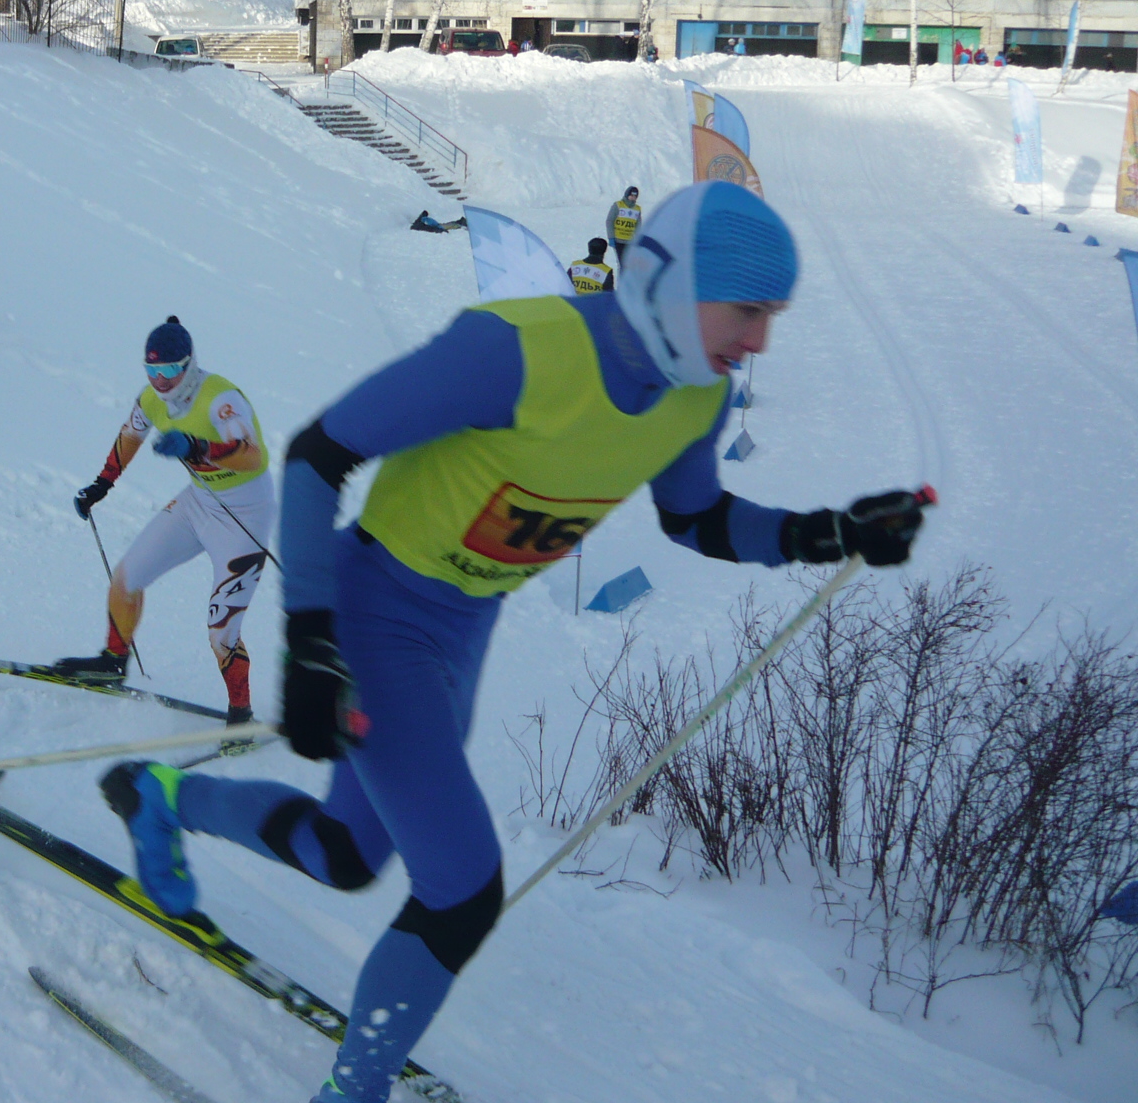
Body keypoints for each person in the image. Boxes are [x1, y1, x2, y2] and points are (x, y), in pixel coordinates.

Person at [97, 181, 927, 1103]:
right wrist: (314, 635)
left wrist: (828, 534)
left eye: (775, 316)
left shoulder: (696, 400)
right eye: (747, 310)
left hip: (461, 628)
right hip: (373, 614)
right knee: (461, 889)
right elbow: (318, 456)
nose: (761, 340)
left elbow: (697, 519)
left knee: (346, 852)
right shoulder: (517, 350)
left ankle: (159, 797)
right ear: (674, 282)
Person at [61, 317, 273, 726]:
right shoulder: (151, 399)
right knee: (126, 578)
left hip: (246, 515)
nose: (160, 380)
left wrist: (199, 445)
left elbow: (253, 455)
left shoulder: (220, 399)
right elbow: (130, 436)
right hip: (200, 504)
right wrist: (101, 484)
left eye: (170, 370)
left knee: (221, 630)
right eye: (152, 370)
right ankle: (112, 661)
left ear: (189, 366)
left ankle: (241, 714)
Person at [607, 184, 641, 258]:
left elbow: (638, 225)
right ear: (627, 195)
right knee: (622, 261)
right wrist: (611, 237)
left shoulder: (637, 209)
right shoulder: (618, 205)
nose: (633, 198)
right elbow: (610, 221)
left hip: (630, 241)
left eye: (635, 197)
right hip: (618, 240)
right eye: (631, 196)